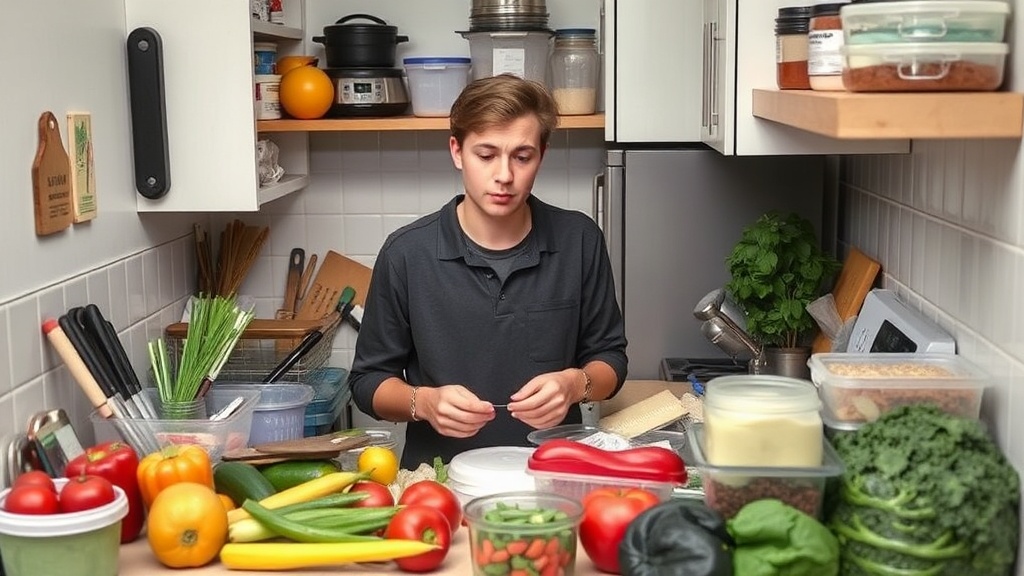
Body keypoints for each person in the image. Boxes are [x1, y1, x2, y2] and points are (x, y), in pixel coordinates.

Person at [348, 73, 628, 468]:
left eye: (522, 156)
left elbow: (610, 359)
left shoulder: (579, 239)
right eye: (486, 154)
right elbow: (366, 384)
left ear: (542, 156)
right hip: (438, 481)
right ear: (457, 152)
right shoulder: (406, 253)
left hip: (552, 473)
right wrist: (423, 402)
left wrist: (574, 385)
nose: (504, 176)